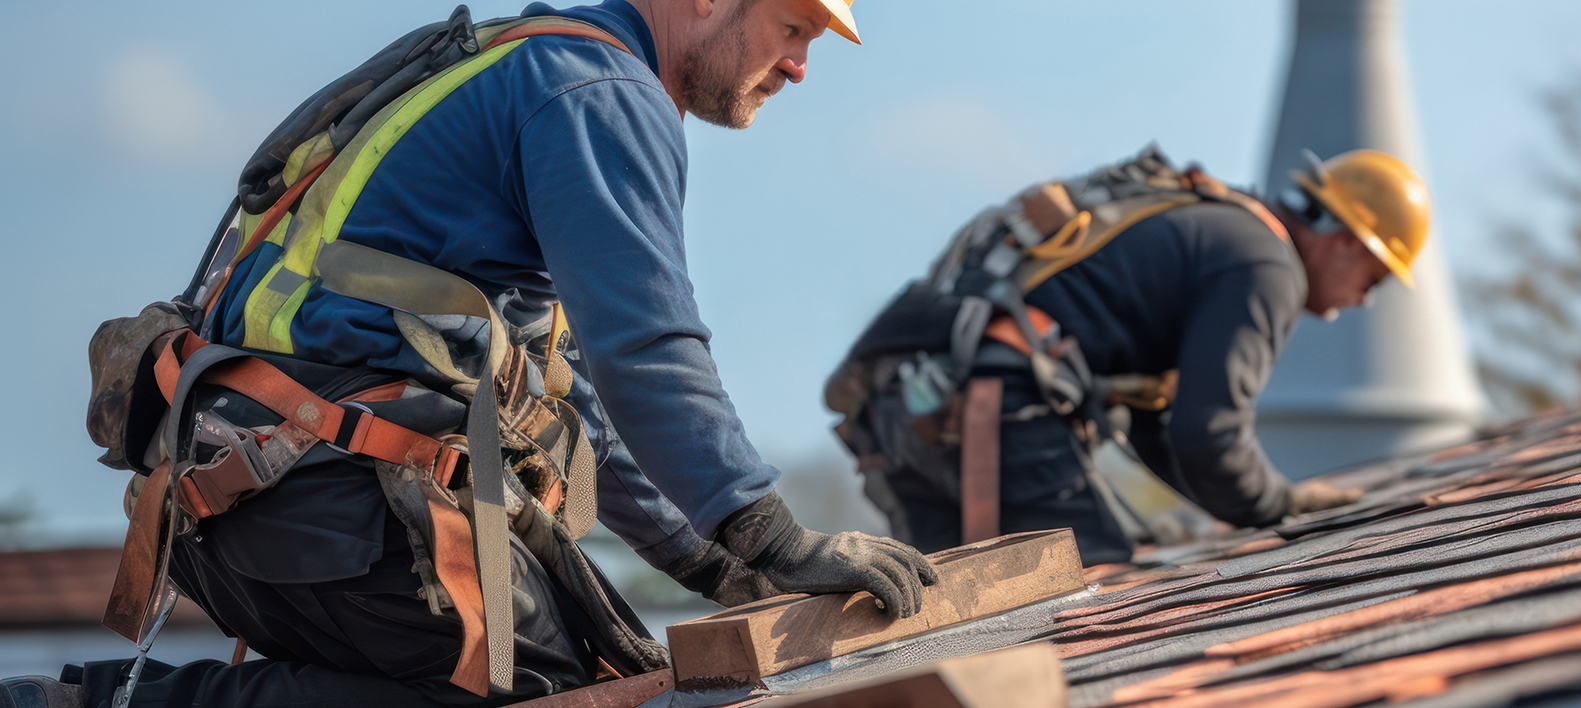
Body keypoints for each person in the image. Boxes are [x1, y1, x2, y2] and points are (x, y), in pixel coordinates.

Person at [6, 1, 937, 707]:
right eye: (794, 24)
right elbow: (646, 348)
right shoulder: (597, 93)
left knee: (590, 676)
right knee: (565, 694)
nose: (803, 66)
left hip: (234, 498)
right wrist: (772, 535)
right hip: (328, 498)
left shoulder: (524, 69)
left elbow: (574, 413)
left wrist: (719, 567)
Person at [826, 147, 1431, 565]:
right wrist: (1279, 504)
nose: (1362, 302)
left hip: (902, 409)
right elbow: (1207, 435)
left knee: (945, 632)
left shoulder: (1215, 230)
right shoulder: (1266, 267)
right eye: (1374, 280)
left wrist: (1251, 505)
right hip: (993, 406)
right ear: (1349, 242)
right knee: (1082, 596)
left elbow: (1156, 429)